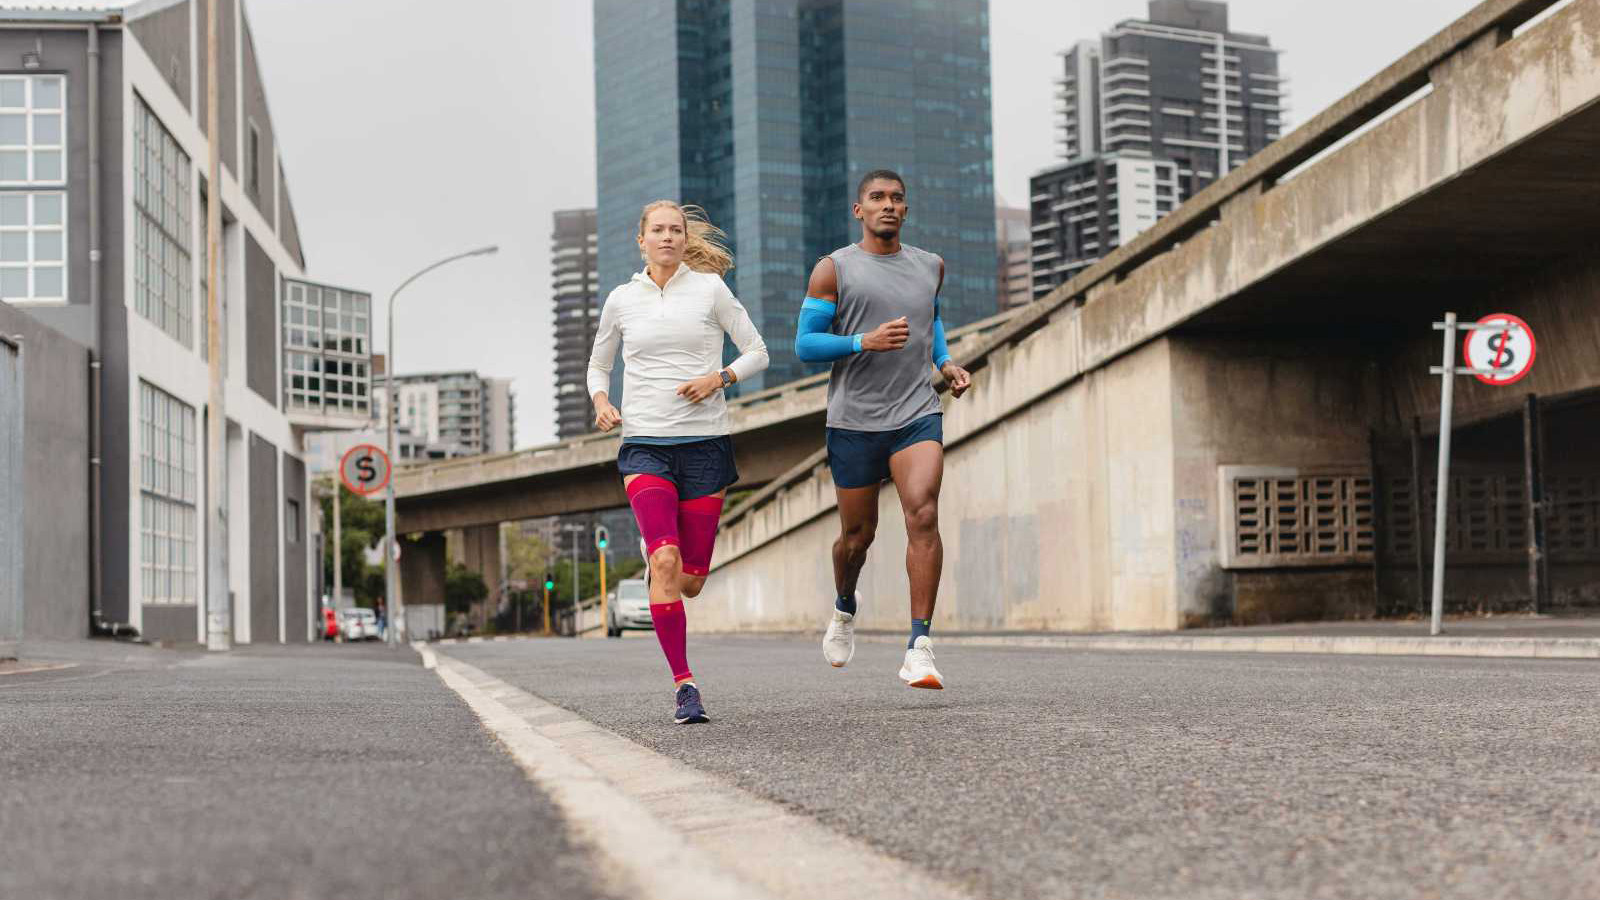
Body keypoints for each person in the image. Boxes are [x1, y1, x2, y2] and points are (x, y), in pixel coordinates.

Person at [588, 200, 769, 724]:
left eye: (675, 230)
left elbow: (756, 351)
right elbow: (599, 364)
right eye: (658, 230)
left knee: (690, 579)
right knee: (664, 562)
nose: (667, 237)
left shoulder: (710, 290)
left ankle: (663, 556)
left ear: (685, 239)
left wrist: (721, 378)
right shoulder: (622, 299)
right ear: (640, 239)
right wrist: (602, 401)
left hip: (706, 443)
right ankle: (685, 686)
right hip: (644, 441)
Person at [794, 169, 973, 689]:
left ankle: (919, 645)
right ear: (859, 210)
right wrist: (861, 343)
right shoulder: (833, 270)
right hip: (853, 420)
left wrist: (944, 361)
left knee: (924, 511)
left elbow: (929, 316)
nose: (888, 205)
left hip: (916, 412)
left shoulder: (930, 266)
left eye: (897, 198)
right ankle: (845, 606)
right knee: (857, 537)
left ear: (906, 210)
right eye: (877, 198)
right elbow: (805, 345)